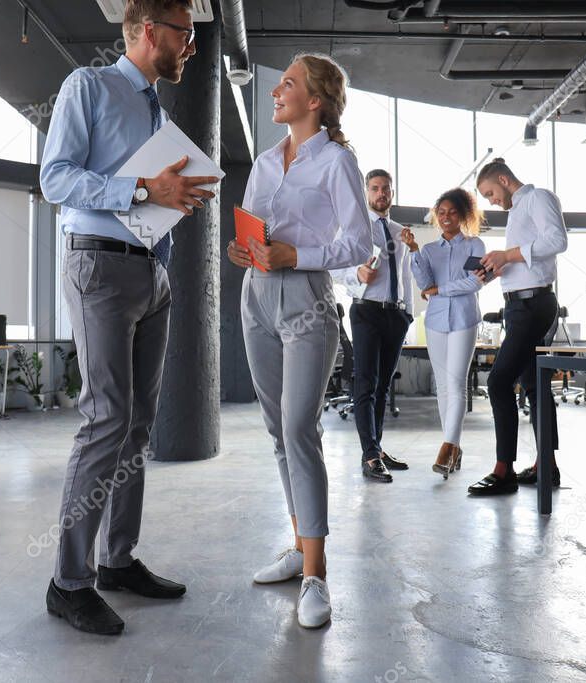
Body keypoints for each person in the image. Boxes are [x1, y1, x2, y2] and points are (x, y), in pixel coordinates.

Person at [39, 0, 219, 635]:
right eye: (185, 34)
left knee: (138, 423)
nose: (190, 46)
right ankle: (68, 581)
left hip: (152, 271)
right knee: (106, 418)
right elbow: (56, 178)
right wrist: (144, 191)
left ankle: (116, 559)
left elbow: (148, 190)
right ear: (150, 31)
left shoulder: (154, 108)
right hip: (100, 270)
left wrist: (169, 205)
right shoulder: (87, 86)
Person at [226, 53, 372, 629]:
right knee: (275, 430)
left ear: (316, 101)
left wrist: (299, 255)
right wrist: (248, 250)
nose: (275, 91)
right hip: (255, 296)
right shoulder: (265, 161)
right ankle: (299, 545)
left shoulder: (337, 162)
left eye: (287, 83)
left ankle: (317, 575)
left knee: (298, 428)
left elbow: (359, 245)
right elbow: (256, 228)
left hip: (306, 298)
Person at [467, 158, 566, 496]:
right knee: (534, 385)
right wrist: (495, 268)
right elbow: (526, 262)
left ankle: (503, 469)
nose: (491, 200)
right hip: (519, 304)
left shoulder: (538, 198)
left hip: (533, 306)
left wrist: (507, 255)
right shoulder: (516, 213)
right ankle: (546, 466)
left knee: (497, 382)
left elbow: (557, 240)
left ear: (505, 180)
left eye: (490, 192)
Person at [332, 169, 413, 483]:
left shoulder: (398, 231)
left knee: (382, 386)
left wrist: (407, 312)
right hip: (366, 312)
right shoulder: (355, 228)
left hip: (395, 315)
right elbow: (333, 268)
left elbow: (404, 273)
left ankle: (377, 449)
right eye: (376, 188)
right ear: (366, 193)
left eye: (386, 189)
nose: (382, 193)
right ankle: (369, 455)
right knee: (366, 385)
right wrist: (356, 275)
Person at [405, 188, 486, 480]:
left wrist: (440, 290)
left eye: (452, 212)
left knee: (456, 382)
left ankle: (447, 446)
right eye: (441, 213)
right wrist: (414, 251)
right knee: (442, 386)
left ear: (463, 215)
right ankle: (454, 447)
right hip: (436, 321)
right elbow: (424, 282)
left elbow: (475, 282)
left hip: (464, 318)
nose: (446, 217)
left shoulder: (475, 245)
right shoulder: (429, 250)